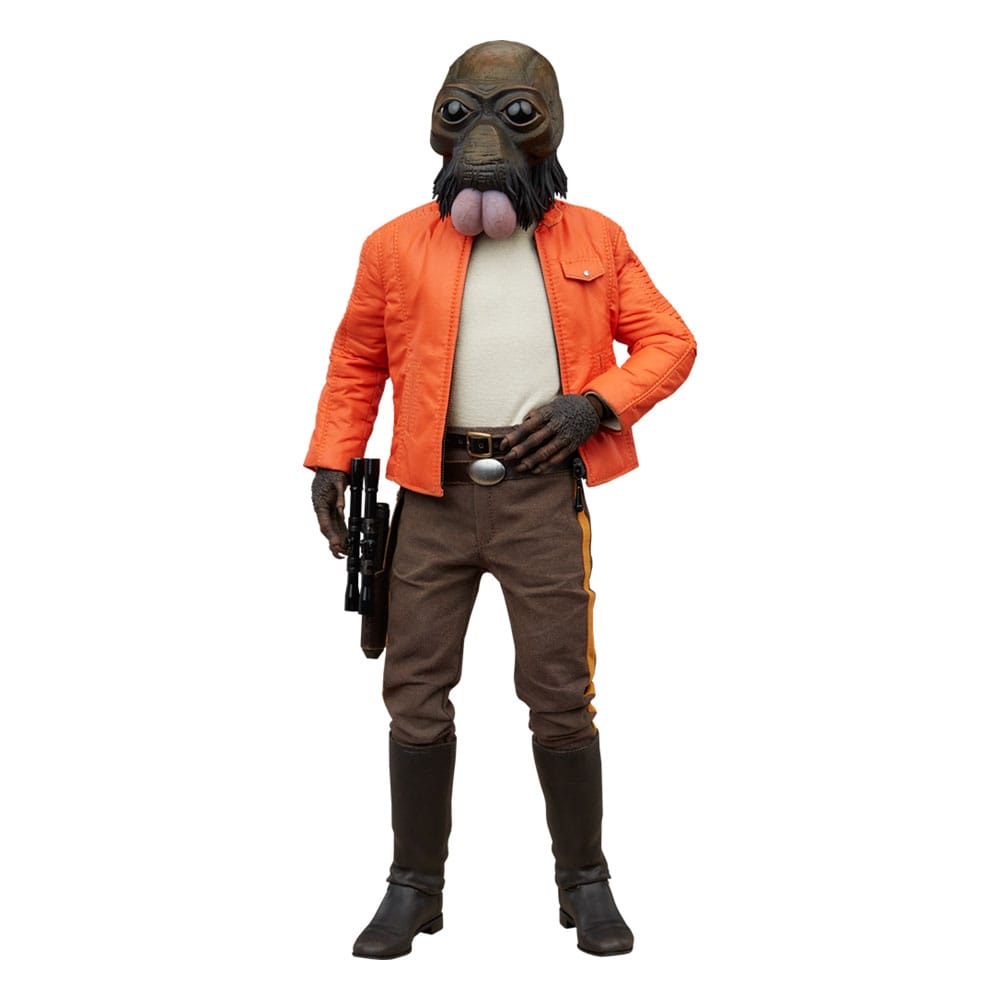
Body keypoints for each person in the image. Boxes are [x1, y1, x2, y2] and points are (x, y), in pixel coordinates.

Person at [305, 39, 696, 958]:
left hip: (539, 497)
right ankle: (414, 887)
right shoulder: (393, 245)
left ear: (548, 128)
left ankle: (584, 882)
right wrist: (333, 460)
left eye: (514, 115)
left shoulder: (595, 239)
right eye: (462, 114)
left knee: (561, 692)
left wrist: (593, 404)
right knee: (414, 691)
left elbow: (670, 343)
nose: (485, 140)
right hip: (430, 497)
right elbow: (358, 359)